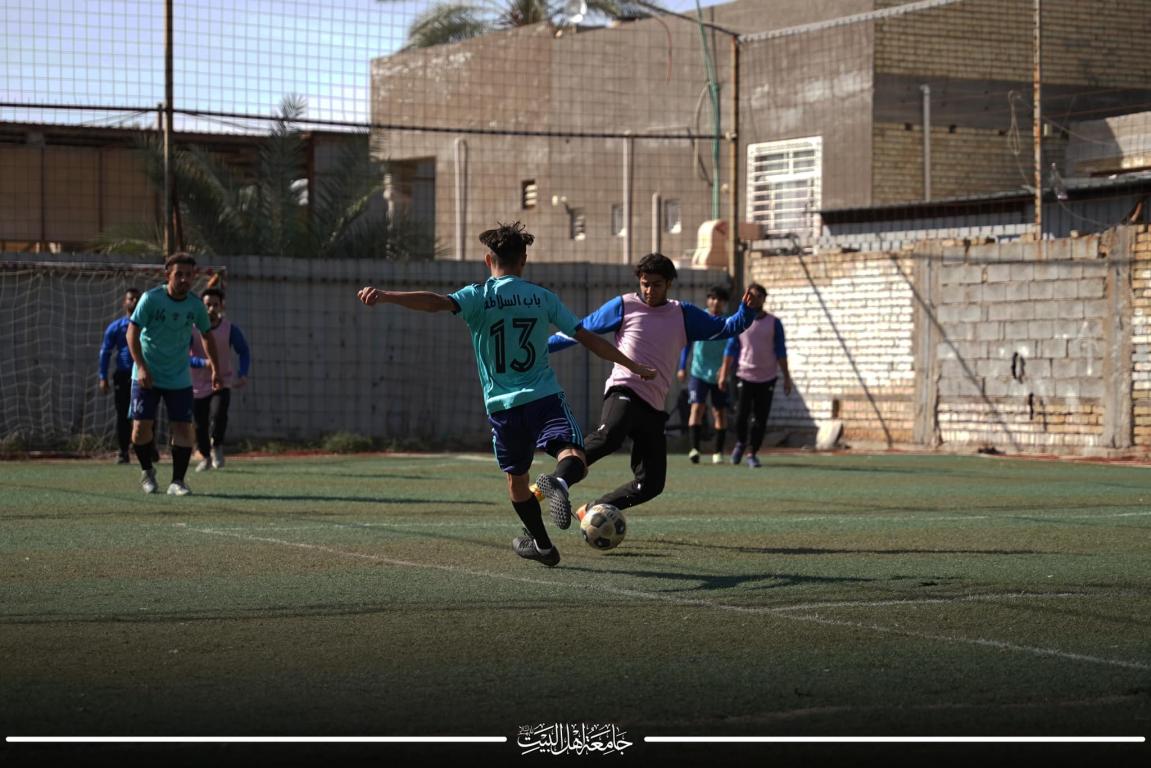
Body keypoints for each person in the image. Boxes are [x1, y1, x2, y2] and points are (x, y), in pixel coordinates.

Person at [356, 222, 656, 568]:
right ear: (523, 260)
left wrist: (387, 296)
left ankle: (542, 545)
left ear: (488, 260)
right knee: (572, 453)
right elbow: (586, 337)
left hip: (502, 407)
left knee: (517, 482)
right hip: (543, 396)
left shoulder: (478, 296)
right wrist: (632, 365)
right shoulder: (542, 297)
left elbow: (434, 303)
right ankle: (560, 481)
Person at [549, 253, 764, 520]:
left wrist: (747, 311)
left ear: (669, 283)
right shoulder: (624, 306)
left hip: (653, 406)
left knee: (651, 484)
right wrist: (543, 347)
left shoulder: (683, 314)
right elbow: (579, 330)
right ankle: (558, 481)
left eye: (656, 285)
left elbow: (725, 328)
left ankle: (591, 510)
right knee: (610, 436)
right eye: (645, 284)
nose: (649, 290)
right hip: (624, 389)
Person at [127, 253, 221, 496]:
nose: (184, 279)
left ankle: (177, 481)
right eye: (179, 274)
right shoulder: (150, 299)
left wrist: (216, 369)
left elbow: (207, 335)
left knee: (183, 428)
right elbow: (132, 333)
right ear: (167, 274)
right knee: (140, 430)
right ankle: (147, 471)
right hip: (147, 373)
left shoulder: (195, 305)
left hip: (178, 376)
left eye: (189, 275)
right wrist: (141, 367)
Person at [725, 283, 793, 468]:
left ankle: (752, 452)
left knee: (760, 418)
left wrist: (786, 377)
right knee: (741, 416)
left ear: (764, 299)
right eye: (751, 296)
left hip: (767, 378)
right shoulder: (740, 321)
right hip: (744, 375)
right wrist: (723, 373)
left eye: (758, 296)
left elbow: (780, 350)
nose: (754, 299)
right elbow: (731, 348)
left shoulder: (774, 323)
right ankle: (741, 443)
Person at [189, 276, 251, 472]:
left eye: (215, 305)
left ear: (221, 306)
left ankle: (217, 445)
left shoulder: (229, 329)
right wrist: (203, 362)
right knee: (199, 423)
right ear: (201, 306)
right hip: (197, 384)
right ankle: (205, 456)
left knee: (218, 414)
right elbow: (184, 357)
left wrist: (243, 373)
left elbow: (244, 351)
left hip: (222, 381)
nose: (211, 309)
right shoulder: (192, 329)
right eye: (207, 304)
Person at [676, 285, 732, 465]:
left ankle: (718, 452)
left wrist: (725, 370)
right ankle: (694, 449)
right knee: (697, 408)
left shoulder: (728, 323)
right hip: (698, 372)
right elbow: (687, 344)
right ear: (708, 300)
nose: (716, 302)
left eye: (720, 299)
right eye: (713, 298)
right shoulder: (699, 318)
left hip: (719, 375)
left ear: (724, 303)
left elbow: (733, 349)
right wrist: (682, 367)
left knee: (719, 412)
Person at [98, 288, 142, 464]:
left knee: (145, 413)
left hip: (143, 374)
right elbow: (105, 352)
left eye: (137, 299)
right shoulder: (116, 327)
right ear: (125, 302)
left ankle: (149, 448)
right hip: (123, 376)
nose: (134, 301)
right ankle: (123, 451)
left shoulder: (148, 325)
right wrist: (103, 376)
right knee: (123, 414)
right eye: (131, 299)